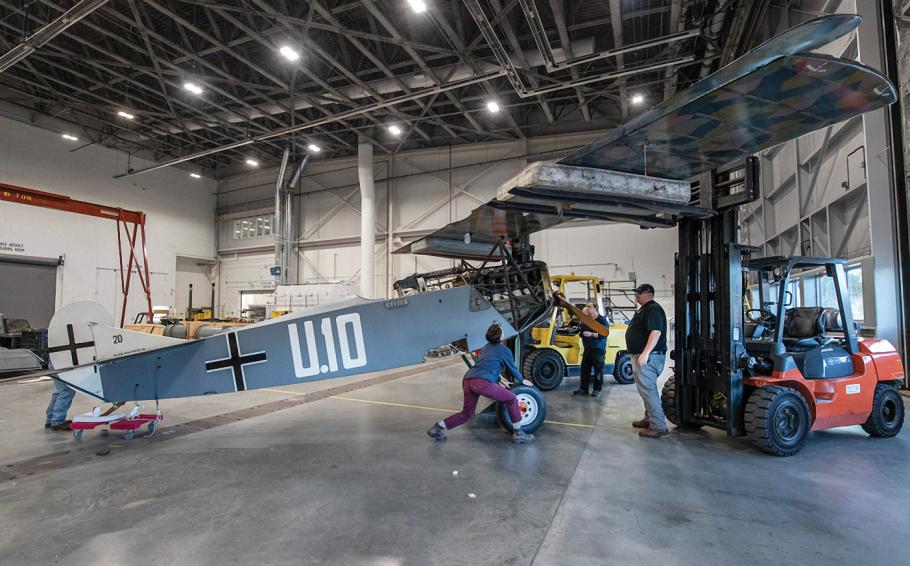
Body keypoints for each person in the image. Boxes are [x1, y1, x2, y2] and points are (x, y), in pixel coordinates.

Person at [427, 324, 536, 444]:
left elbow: (485, 366)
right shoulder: (504, 350)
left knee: (467, 414)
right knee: (511, 399)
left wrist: (498, 381)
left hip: (468, 380)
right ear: (500, 335)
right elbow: (512, 368)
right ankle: (519, 433)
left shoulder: (485, 348)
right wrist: (521, 380)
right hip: (482, 382)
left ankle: (438, 427)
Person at [625, 283, 668, 438]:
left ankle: (658, 426)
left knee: (648, 391)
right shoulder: (646, 309)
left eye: (639, 293)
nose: (636, 295)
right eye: (636, 293)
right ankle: (649, 418)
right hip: (643, 355)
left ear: (649, 293)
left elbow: (656, 332)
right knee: (645, 389)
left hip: (650, 356)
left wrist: (645, 353)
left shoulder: (653, 309)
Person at [572, 302, 608, 399]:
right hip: (587, 349)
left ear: (595, 308)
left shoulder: (601, 320)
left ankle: (597, 389)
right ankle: (584, 389)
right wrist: (581, 333)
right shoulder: (586, 320)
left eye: (589, 306)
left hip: (598, 350)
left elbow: (604, 334)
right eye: (586, 306)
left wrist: (591, 334)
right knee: (584, 370)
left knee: (598, 371)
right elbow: (581, 332)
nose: (586, 308)